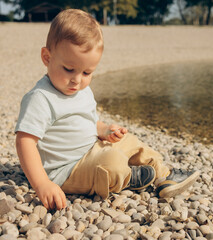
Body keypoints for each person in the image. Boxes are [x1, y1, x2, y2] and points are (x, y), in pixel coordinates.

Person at [15, 9, 199, 210]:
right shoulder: (41, 98)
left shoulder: (82, 91)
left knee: (131, 142)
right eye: (69, 69)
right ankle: (128, 177)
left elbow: (89, 122)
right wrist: (42, 183)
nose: (77, 79)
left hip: (92, 150)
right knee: (111, 161)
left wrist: (104, 131)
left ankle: (164, 175)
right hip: (67, 170)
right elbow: (25, 142)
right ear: (47, 57)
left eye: (87, 72)